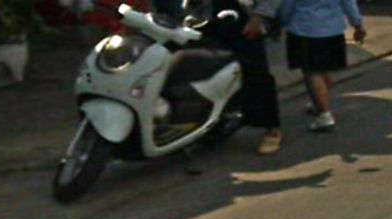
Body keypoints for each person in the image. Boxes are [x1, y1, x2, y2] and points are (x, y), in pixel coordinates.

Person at [152, 0, 283, 155]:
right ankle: (211, 125)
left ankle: (271, 129)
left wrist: (260, 16)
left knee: (254, 71)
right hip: (202, 18)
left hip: (241, 16)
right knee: (201, 71)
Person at [280, 0, 366, 132]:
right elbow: (348, 3)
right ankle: (319, 102)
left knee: (311, 71)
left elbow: (288, 5)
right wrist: (357, 24)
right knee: (325, 68)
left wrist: (281, 21)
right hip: (333, 29)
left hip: (305, 28)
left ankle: (324, 114)